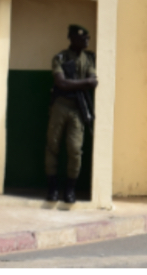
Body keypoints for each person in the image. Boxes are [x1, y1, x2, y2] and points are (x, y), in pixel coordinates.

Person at [45, 24, 98, 204]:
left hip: (78, 109)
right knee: (52, 146)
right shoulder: (60, 58)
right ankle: (52, 188)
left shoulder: (89, 59)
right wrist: (84, 83)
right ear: (72, 38)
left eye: (87, 38)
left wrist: (74, 84)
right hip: (60, 105)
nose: (86, 41)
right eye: (82, 38)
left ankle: (70, 189)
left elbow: (93, 83)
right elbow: (61, 83)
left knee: (75, 150)